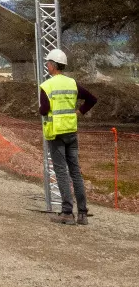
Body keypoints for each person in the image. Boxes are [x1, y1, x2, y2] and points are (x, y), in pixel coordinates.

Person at [41, 47, 96, 227]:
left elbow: (43, 110)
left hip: (56, 133)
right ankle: (82, 213)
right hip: (71, 132)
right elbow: (92, 99)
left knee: (62, 172)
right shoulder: (72, 83)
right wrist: (78, 112)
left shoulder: (47, 86)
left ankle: (66, 212)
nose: (47, 66)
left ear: (53, 66)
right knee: (75, 172)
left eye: (48, 63)